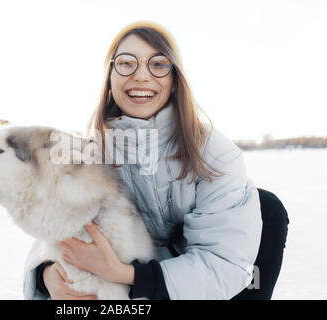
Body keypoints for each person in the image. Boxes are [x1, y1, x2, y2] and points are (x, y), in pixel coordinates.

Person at [23, 20, 289, 300]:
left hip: (192, 285)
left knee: (266, 208)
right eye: (126, 63)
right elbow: (52, 227)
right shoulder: (87, 155)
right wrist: (46, 274)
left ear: (174, 82)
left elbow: (225, 262)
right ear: (110, 80)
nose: (141, 76)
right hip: (127, 289)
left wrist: (124, 274)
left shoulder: (213, 151)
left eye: (158, 64)